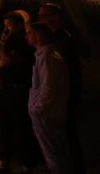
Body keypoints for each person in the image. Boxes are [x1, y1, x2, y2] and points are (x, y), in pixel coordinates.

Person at [38, 3, 86, 172]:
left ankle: (74, 166)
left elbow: (65, 67)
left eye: (45, 16)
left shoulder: (63, 38)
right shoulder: (51, 37)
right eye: (40, 16)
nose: (42, 20)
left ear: (56, 17)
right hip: (58, 92)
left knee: (67, 131)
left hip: (66, 92)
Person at [0, 11, 37, 172]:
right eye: (5, 25)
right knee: (2, 123)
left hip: (20, 88)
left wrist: (3, 51)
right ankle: (3, 159)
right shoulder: (9, 40)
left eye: (9, 25)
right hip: (6, 89)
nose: (7, 29)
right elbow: (2, 61)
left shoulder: (25, 41)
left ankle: (28, 161)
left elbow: (10, 61)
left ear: (18, 25)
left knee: (22, 125)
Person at [26, 21, 71, 174]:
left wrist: (36, 109)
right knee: (55, 152)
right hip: (47, 112)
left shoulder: (47, 57)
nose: (26, 36)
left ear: (38, 36)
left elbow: (48, 87)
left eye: (29, 32)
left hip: (47, 114)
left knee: (53, 153)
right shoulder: (45, 55)